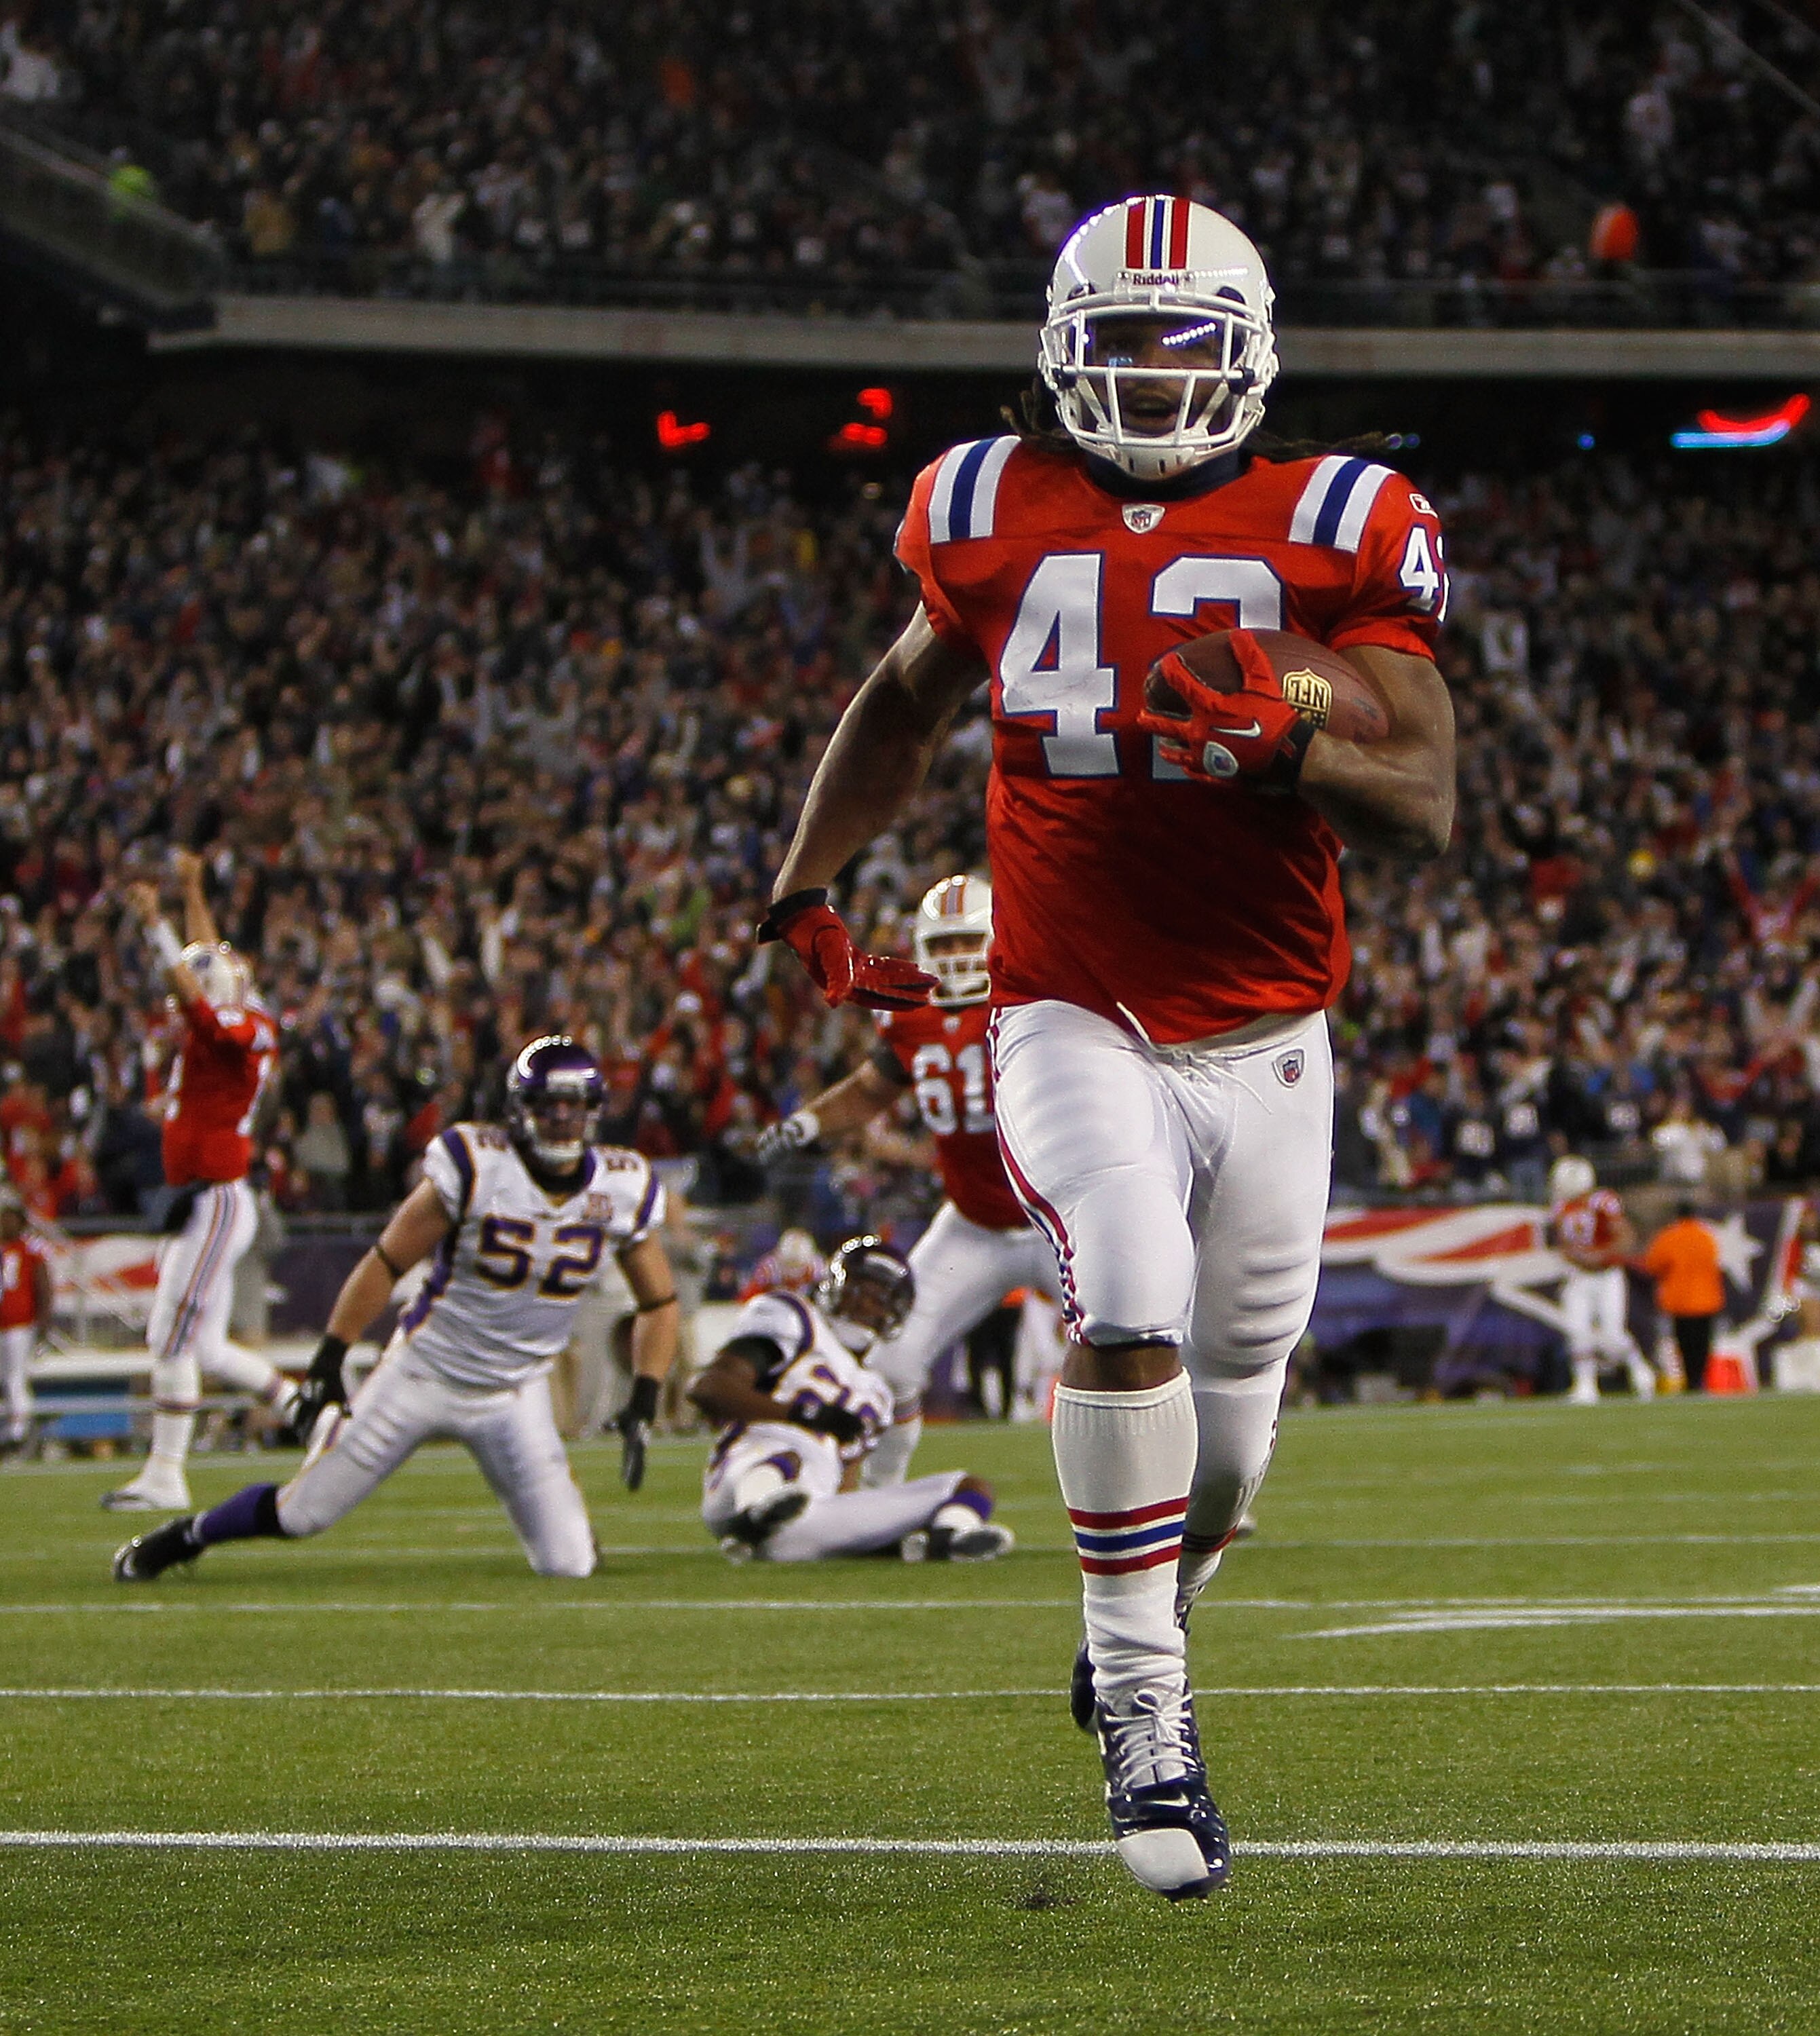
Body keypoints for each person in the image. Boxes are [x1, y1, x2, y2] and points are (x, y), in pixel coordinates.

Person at [755, 196, 1456, 1899]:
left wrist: (1292, 751)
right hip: (1066, 998)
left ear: (1247, 351)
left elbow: (1425, 794)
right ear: (1062, 351)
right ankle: (1151, 1713)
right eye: (1119, 345)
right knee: (1121, 1293)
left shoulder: (1342, 516)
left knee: (1226, 1442)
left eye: (1183, 345)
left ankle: (1159, 1589)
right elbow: (906, 696)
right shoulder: (988, 503)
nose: (1148, 382)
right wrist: (806, 879)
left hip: (1273, 1030)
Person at [112, 1037, 680, 1584]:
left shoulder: (622, 1184)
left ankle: (571, 1530)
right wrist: (332, 1355)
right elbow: (386, 1261)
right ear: (519, 1110)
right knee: (301, 1515)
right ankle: (187, 1536)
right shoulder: (479, 1164)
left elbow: (659, 1302)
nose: (561, 1118)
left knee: (569, 1565)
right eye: (547, 1105)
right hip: (423, 1373)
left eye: (573, 1105)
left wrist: (647, 1394)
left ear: (594, 1111)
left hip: (516, 1391)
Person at [757, 874, 1059, 1485]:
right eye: (942, 946)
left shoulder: (1036, 998)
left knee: (1148, 1344)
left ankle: (1196, 1502)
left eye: (966, 942)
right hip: (973, 1223)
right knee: (892, 1363)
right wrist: (808, 1123)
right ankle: (877, 1500)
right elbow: (871, 1090)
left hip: (1060, 1219)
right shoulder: (911, 1015)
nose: (954, 958)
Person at [102, 855, 298, 1511]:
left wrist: (157, 928)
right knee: (205, 1344)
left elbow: (205, 1009)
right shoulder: (238, 1006)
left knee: (172, 1334)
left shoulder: (245, 1028)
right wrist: (189, 891)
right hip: (201, 1196)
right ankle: (312, 1412)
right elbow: (208, 957)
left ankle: (165, 1474)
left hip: (215, 1198)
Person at [691, 1233, 1014, 1563]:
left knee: (970, 1486)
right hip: (740, 1479)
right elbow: (709, 1389)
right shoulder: (795, 1316)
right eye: (861, 1291)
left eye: (882, 1300)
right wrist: (804, 1416)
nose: (867, 1306)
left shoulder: (877, 1393)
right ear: (834, 1286)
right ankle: (755, 1515)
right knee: (788, 1454)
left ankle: (944, 1539)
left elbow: (845, 1483)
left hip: (809, 1515)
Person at [1549, 1154, 1654, 1405]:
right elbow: (1563, 1244)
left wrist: (1600, 1255)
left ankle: (1640, 1369)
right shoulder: (1560, 1208)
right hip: (1579, 1276)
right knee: (1577, 1332)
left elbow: (1625, 1237)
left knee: (1613, 1336)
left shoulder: (1602, 1201)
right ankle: (1585, 1385)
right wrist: (1576, 1258)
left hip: (1607, 1276)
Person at [1637, 1200, 1726, 1393]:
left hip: (1680, 1301)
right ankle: (1699, 1379)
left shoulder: (1669, 1237)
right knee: (1703, 1344)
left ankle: (1691, 1380)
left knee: (1685, 1344)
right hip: (1707, 1299)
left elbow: (1653, 1265)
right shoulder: (1706, 1236)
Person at [0, 1190, 50, 1454]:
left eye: (10, 1218)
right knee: (7, 1377)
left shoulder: (30, 1251)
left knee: (16, 1377)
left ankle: (19, 1430)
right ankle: (11, 1427)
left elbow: (43, 1287)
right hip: (3, 1324)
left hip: (20, 1325)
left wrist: (42, 1322)